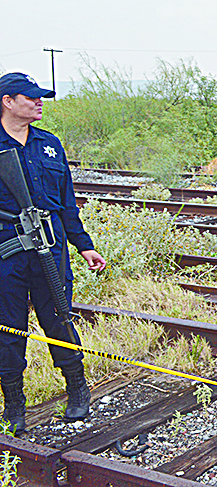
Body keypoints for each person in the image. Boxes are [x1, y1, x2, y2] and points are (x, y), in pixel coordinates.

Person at [0, 72, 106, 434]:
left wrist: (85, 245)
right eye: (30, 97)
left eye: (40, 97)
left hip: (50, 247)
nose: (39, 102)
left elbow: (66, 203)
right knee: (8, 329)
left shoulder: (49, 144)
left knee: (59, 318)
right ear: (8, 101)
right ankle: (14, 405)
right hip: (6, 253)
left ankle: (77, 389)